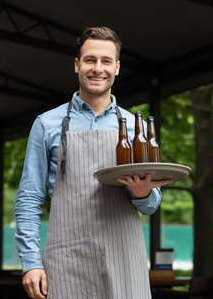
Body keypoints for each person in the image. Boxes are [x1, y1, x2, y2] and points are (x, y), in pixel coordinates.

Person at [15, 26, 172, 299]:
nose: (97, 68)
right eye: (90, 60)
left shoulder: (136, 127)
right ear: (77, 65)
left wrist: (142, 194)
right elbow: (29, 199)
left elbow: (152, 204)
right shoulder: (46, 124)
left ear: (117, 67)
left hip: (124, 256)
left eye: (106, 61)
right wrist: (31, 263)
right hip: (66, 259)